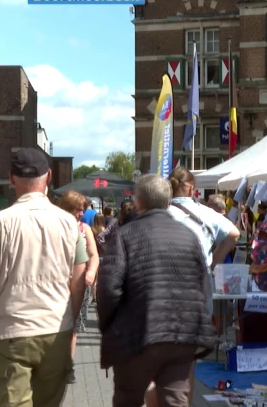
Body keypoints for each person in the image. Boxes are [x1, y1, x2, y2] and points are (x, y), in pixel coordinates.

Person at [0, 148, 89, 406]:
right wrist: (71, 320)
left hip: (10, 331)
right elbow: (79, 281)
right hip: (56, 328)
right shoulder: (69, 223)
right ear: (49, 176)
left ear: (11, 178)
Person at [98, 174, 215, 407]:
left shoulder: (124, 236)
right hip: (182, 333)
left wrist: (108, 326)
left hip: (138, 333)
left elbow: (109, 288)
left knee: (128, 398)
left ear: (139, 203)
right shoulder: (189, 236)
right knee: (175, 399)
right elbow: (203, 285)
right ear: (168, 202)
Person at [165, 167, 241, 403]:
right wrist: (214, 260)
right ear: (190, 188)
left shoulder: (160, 212)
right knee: (189, 356)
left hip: (165, 286)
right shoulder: (205, 212)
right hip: (198, 284)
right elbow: (234, 232)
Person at [56, 190, 101, 384]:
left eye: (82, 210)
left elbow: (94, 254)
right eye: (77, 209)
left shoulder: (84, 228)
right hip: (56, 284)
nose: (80, 213)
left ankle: (68, 364)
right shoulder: (54, 226)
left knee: (73, 326)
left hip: (79, 284)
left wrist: (91, 271)